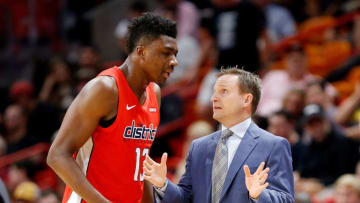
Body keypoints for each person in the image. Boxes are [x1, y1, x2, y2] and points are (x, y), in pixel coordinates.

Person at [47, 13, 178, 203]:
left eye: (175, 54)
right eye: (166, 53)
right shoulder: (105, 89)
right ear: (141, 52)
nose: (174, 61)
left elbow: (140, 165)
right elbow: (57, 155)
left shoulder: (154, 94)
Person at [143, 67, 294, 202]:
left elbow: (285, 199)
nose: (213, 98)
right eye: (214, 92)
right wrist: (162, 184)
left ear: (246, 99)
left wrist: (258, 195)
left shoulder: (274, 145)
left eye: (224, 91)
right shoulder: (198, 147)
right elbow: (184, 197)